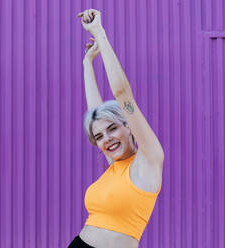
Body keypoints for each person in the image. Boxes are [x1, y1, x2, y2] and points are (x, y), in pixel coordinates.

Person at [68, 9, 164, 248]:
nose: (106, 138)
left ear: (128, 126)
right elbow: (95, 114)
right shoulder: (115, 166)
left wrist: (99, 33)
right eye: (99, 136)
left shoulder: (149, 160)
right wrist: (87, 63)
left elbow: (122, 94)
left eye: (112, 129)